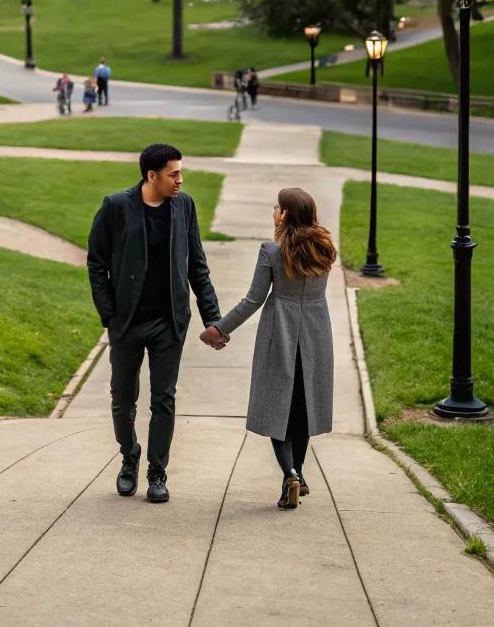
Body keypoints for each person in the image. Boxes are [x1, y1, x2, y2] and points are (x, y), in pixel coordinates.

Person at [87, 143, 222, 506]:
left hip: (169, 323)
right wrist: (109, 315)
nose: (180, 179)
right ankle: (129, 456)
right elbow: (96, 263)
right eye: (173, 173)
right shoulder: (116, 206)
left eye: (180, 172)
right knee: (122, 399)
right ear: (151, 176)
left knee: (163, 400)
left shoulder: (184, 206)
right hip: (127, 323)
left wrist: (213, 318)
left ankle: (156, 472)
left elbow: (197, 265)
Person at [200, 186, 336, 510]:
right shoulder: (325, 249)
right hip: (317, 335)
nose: (273, 212)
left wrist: (218, 328)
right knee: (303, 409)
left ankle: (289, 473)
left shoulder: (272, 251)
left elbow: (253, 299)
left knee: (277, 408)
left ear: (285, 214)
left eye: (276, 208)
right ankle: (299, 475)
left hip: (281, 333)